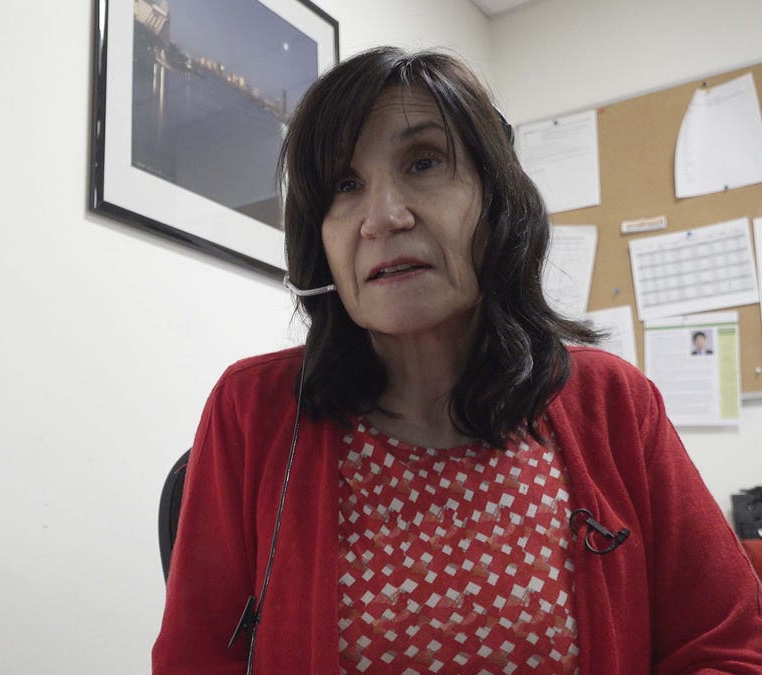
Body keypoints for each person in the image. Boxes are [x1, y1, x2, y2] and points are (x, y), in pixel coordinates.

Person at [152, 46, 762, 673]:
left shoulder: (612, 402)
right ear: (320, 240)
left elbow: (725, 647)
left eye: (423, 162)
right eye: (345, 185)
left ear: (496, 202)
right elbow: (195, 660)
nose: (383, 217)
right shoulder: (252, 410)